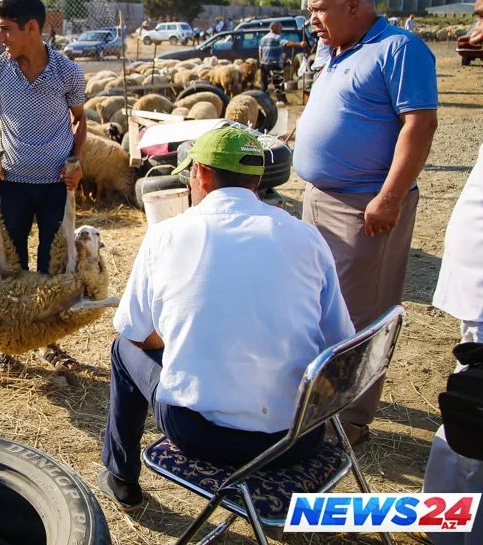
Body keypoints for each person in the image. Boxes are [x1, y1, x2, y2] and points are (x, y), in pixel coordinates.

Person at [96, 125, 354, 511]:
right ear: (257, 179)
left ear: (200, 173)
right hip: (299, 436)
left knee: (121, 348)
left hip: (203, 437)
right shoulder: (306, 237)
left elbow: (135, 331)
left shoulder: (166, 235)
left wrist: (183, 339)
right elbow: (342, 343)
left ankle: (122, 477)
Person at [294, 0, 439, 448]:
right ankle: (322, 397)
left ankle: (351, 418)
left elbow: (419, 125)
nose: (311, 18)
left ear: (353, 5)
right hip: (318, 198)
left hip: (363, 205)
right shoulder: (331, 50)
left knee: (362, 309)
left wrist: (390, 196)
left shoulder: (399, 49)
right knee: (320, 302)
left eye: (319, 8)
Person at [412, 0, 483, 545]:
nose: (477, 30)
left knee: (476, 437)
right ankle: (447, 530)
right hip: (480, 316)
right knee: (467, 427)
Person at [0, 0, 87, 376]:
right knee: (10, 265)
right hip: (12, 185)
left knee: (50, 265)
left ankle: (47, 342)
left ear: (32, 28)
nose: (1, 38)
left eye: (6, 30)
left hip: (56, 185)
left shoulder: (67, 72)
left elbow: (79, 120)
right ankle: (7, 344)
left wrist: (75, 162)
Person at [258, 21, 305, 93]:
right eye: (280, 27)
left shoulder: (263, 38)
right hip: (275, 63)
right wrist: (300, 45)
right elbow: (287, 43)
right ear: (274, 28)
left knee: (264, 83)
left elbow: (260, 51)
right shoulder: (277, 37)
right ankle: (282, 100)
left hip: (264, 64)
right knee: (278, 83)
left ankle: (263, 98)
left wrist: (261, 62)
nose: (281, 29)